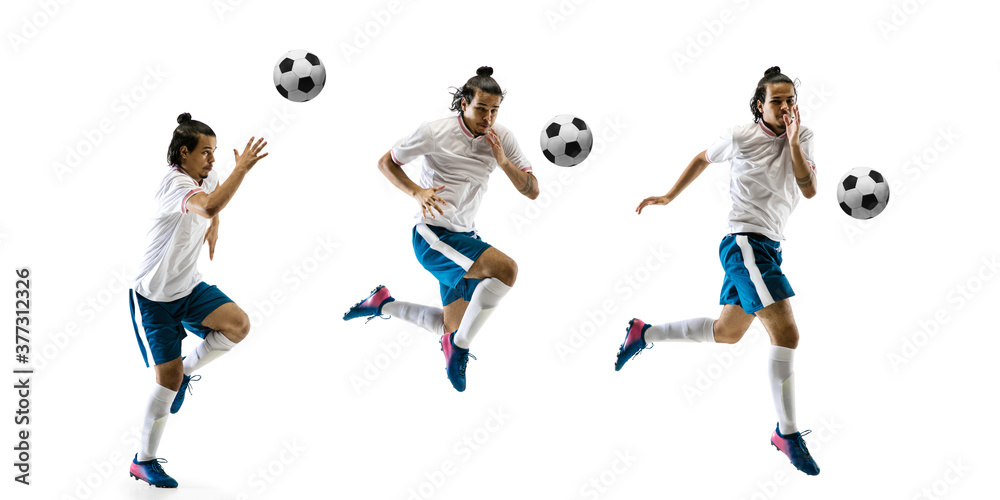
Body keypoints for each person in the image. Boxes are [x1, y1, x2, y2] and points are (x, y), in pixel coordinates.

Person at [616, 67, 821, 476]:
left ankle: (644, 332)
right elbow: (701, 158)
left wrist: (795, 141)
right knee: (787, 333)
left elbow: (810, 189)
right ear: (759, 105)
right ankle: (787, 432)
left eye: (790, 100)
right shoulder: (740, 135)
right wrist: (669, 196)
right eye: (776, 100)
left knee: (727, 332)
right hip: (745, 242)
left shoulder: (805, 135)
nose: (785, 107)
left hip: (769, 247)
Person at [343, 66, 538, 392]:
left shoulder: (502, 137)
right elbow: (386, 163)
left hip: (465, 237)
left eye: (494, 110)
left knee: (452, 326)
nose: (488, 117)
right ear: (463, 103)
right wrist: (417, 192)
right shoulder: (435, 132)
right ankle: (458, 348)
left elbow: (532, 189)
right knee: (506, 271)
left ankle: (382, 304)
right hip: (432, 235)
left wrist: (503, 162)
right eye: (481, 108)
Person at [127, 113, 268, 487]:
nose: (212, 159)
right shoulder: (174, 184)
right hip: (154, 297)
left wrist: (214, 230)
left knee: (239, 325)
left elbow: (213, 210)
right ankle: (143, 460)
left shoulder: (209, 179)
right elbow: (206, 207)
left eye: (216, 152)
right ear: (184, 152)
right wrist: (243, 170)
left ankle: (189, 369)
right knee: (166, 384)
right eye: (206, 152)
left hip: (188, 288)